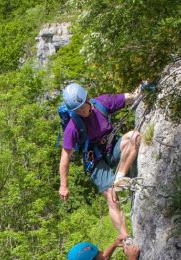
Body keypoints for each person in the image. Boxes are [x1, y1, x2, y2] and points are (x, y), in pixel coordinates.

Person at [59, 83, 142, 240]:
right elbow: (65, 157)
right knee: (111, 196)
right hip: (94, 160)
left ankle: (120, 177)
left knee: (135, 137)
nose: (82, 111)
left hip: (112, 149)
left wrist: (145, 87)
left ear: (87, 98)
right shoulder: (73, 127)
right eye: (77, 110)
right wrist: (64, 185)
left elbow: (130, 96)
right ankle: (125, 237)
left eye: (83, 106)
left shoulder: (102, 103)